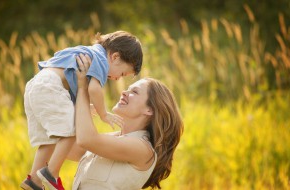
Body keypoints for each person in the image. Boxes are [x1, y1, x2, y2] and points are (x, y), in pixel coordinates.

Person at [20, 31, 143, 190]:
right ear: (115, 57)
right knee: (73, 127)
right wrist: (103, 113)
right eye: (122, 73)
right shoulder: (100, 60)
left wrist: (83, 105)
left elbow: (69, 78)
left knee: (48, 139)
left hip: (36, 86)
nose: (118, 78)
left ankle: (34, 181)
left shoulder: (87, 51)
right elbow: (94, 89)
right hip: (51, 86)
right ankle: (51, 173)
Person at [65, 55, 184, 189]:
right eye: (127, 89)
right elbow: (67, 148)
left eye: (134, 92)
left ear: (149, 109)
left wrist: (83, 90)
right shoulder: (112, 139)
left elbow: (86, 139)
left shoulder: (143, 149)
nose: (124, 92)